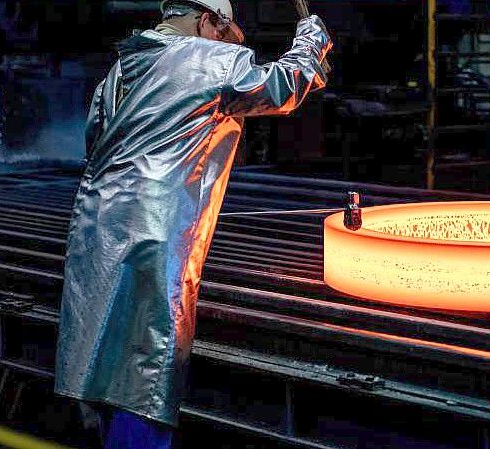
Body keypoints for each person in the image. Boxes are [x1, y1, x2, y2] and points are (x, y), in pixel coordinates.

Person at [53, 1, 331, 447]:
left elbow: (95, 137)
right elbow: (283, 85)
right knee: (147, 367)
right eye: (224, 33)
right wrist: (311, 34)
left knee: (103, 355)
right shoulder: (208, 58)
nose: (227, 44)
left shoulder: (120, 69)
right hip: (156, 235)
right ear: (206, 20)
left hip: (96, 231)